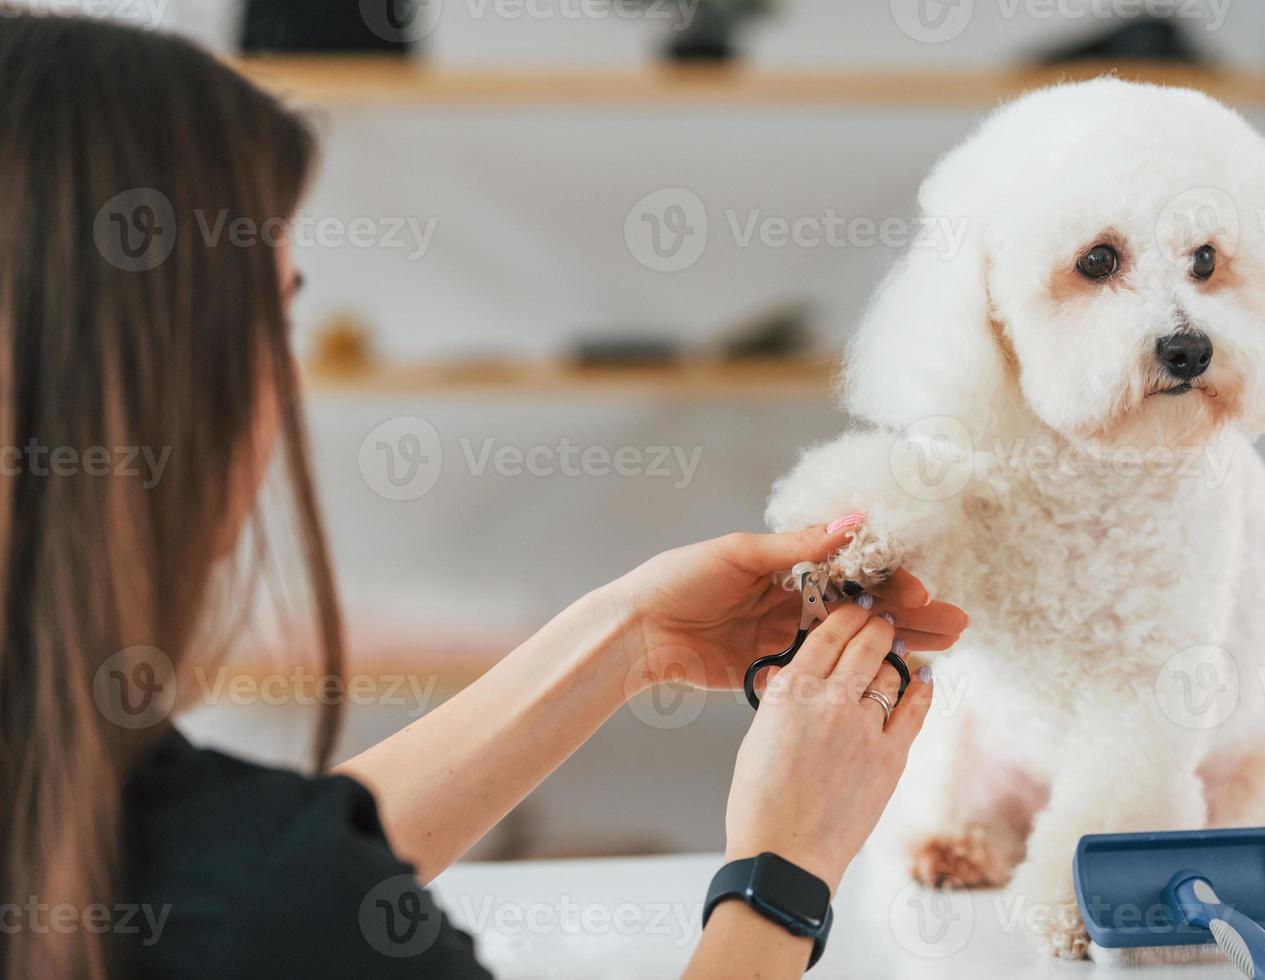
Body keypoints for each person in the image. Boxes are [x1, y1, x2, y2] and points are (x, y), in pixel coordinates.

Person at [0, 14, 970, 980]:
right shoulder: (271, 901)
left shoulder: (147, 838)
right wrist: (783, 873)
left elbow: (237, 871)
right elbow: (274, 896)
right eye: (274, 314)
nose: (282, 384)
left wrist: (628, 637)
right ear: (153, 378)